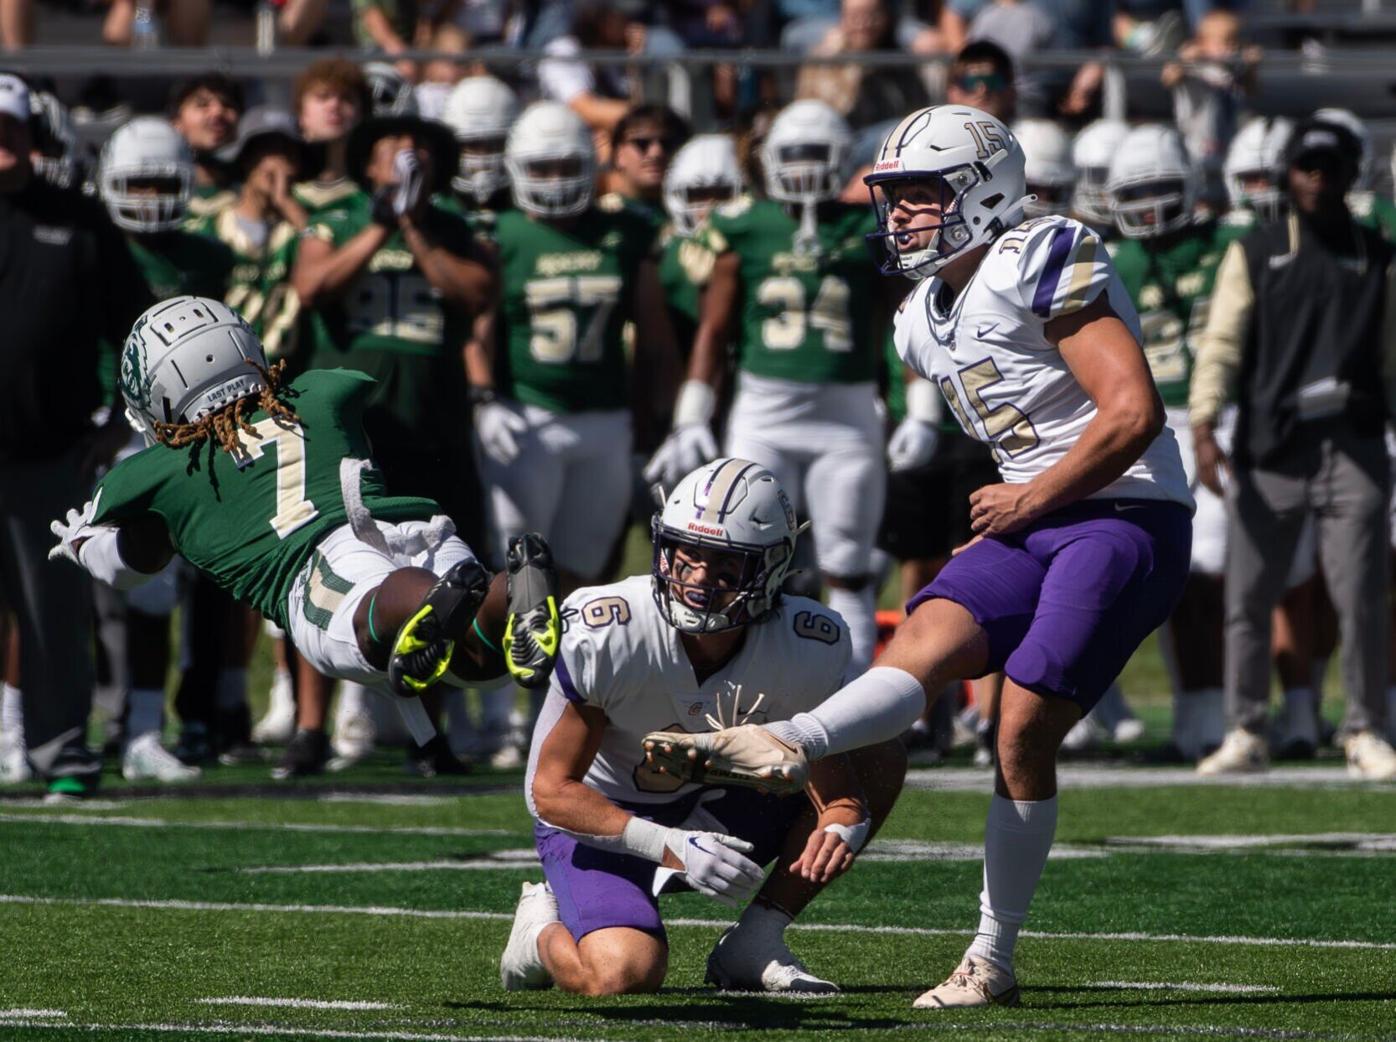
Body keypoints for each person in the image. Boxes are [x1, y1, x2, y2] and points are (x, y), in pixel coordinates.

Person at [641, 105, 1194, 1008]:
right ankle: (777, 813)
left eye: (922, 195)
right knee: (910, 664)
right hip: (1038, 513)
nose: (899, 215)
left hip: (1126, 512)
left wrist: (1028, 495)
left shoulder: (1040, 252)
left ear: (985, 191)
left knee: (1018, 730)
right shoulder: (918, 318)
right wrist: (1021, 499)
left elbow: (1133, 415)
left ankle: (992, 955)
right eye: (892, 197)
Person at [49, 297, 562, 746]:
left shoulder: (160, 470)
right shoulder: (317, 392)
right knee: (481, 663)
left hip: (324, 562)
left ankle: (430, 602)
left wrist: (81, 545)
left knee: (365, 616)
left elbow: (126, 568)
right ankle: (504, 589)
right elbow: (355, 382)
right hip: (420, 526)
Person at [504, 458, 906, 995]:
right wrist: (670, 844)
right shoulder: (613, 630)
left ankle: (756, 938)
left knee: (879, 752)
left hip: (725, 810)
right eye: (686, 554)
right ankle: (537, 930)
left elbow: (839, 793)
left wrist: (841, 821)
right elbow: (551, 792)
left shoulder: (808, 644)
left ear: (770, 568)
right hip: (607, 822)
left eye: (724, 565)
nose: (697, 579)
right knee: (622, 973)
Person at [646, 99, 888, 676]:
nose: (804, 166)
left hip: (846, 417)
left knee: (849, 565)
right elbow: (714, 327)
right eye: (794, 153)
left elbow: (898, 323)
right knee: (743, 561)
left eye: (815, 153)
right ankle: (747, 690)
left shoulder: (865, 226)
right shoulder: (745, 224)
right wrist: (691, 416)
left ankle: (850, 701)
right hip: (765, 414)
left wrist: (920, 407)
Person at [291, 102, 496, 776]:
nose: (408, 154)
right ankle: (309, 727)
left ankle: (427, 737)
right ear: (368, 158)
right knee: (324, 563)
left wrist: (414, 228)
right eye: (393, 144)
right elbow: (313, 285)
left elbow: (476, 294)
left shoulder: (452, 228)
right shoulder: (339, 219)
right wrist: (381, 228)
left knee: (438, 570)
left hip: (431, 424)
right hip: (350, 431)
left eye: (418, 144)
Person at [1189, 117, 1396, 780]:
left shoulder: (1375, 252)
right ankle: (1247, 728)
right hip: (1272, 443)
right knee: (1248, 597)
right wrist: (1203, 423)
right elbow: (1221, 341)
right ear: (1288, 173)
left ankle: (1364, 727)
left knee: (1360, 593)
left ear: (1347, 174)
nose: (1316, 179)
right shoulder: (1257, 250)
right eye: (1306, 167)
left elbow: (1392, 355)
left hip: (1353, 442)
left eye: (1328, 167)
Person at [0, 72, 154, 800]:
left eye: (10, 128)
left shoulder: (81, 222)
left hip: (49, 451)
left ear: (35, 135)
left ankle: (63, 750)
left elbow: (136, 328)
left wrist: (114, 426)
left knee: (55, 612)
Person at [470, 101, 679, 594]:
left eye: (567, 166)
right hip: (526, 416)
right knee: (517, 572)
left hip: (605, 420)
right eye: (542, 168)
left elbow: (654, 338)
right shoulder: (501, 234)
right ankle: (507, 674)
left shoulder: (623, 231)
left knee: (586, 573)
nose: (556, 179)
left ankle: (568, 671)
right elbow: (477, 326)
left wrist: (663, 421)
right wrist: (481, 398)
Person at [97, 115, 239, 780]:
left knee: (158, 590)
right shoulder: (95, 248)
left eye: (162, 181)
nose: (151, 195)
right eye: (138, 182)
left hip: (183, 437)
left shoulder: (208, 257)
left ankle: (150, 727)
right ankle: (45, 723)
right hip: (100, 429)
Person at [1105, 124, 1236, 760]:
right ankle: (1200, 717)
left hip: (1227, 415)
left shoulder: (1229, 242)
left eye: (1163, 190)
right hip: (1152, 421)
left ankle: (1223, 714)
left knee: (1217, 573)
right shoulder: (1114, 260)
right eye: (1140, 192)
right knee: (1185, 576)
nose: (1152, 207)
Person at [438, 74, 520, 237]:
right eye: (471, 145)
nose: (482, 161)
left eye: (494, 144)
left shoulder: (525, 211)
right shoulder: (435, 208)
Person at [167, 73, 244, 220]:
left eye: (228, 105)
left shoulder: (250, 188)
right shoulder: (161, 191)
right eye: (202, 105)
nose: (218, 112)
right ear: (176, 122)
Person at [606, 104, 690, 226]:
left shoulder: (693, 217)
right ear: (619, 154)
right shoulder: (602, 219)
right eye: (642, 143)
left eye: (667, 143)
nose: (656, 153)